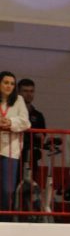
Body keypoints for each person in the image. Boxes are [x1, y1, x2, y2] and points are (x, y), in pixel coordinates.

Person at [0, 71, 31, 217]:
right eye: (6, 82)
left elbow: (26, 122)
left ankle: (4, 221)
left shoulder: (18, 100)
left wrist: (10, 122)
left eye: (12, 83)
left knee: (8, 190)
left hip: (10, 150)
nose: (9, 86)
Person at [16, 78, 45, 177]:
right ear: (18, 92)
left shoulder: (38, 115)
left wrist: (39, 136)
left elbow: (43, 136)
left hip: (32, 156)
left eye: (31, 91)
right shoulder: (12, 112)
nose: (29, 94)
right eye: (25, 91)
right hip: (14, 155)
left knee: (30, 188)